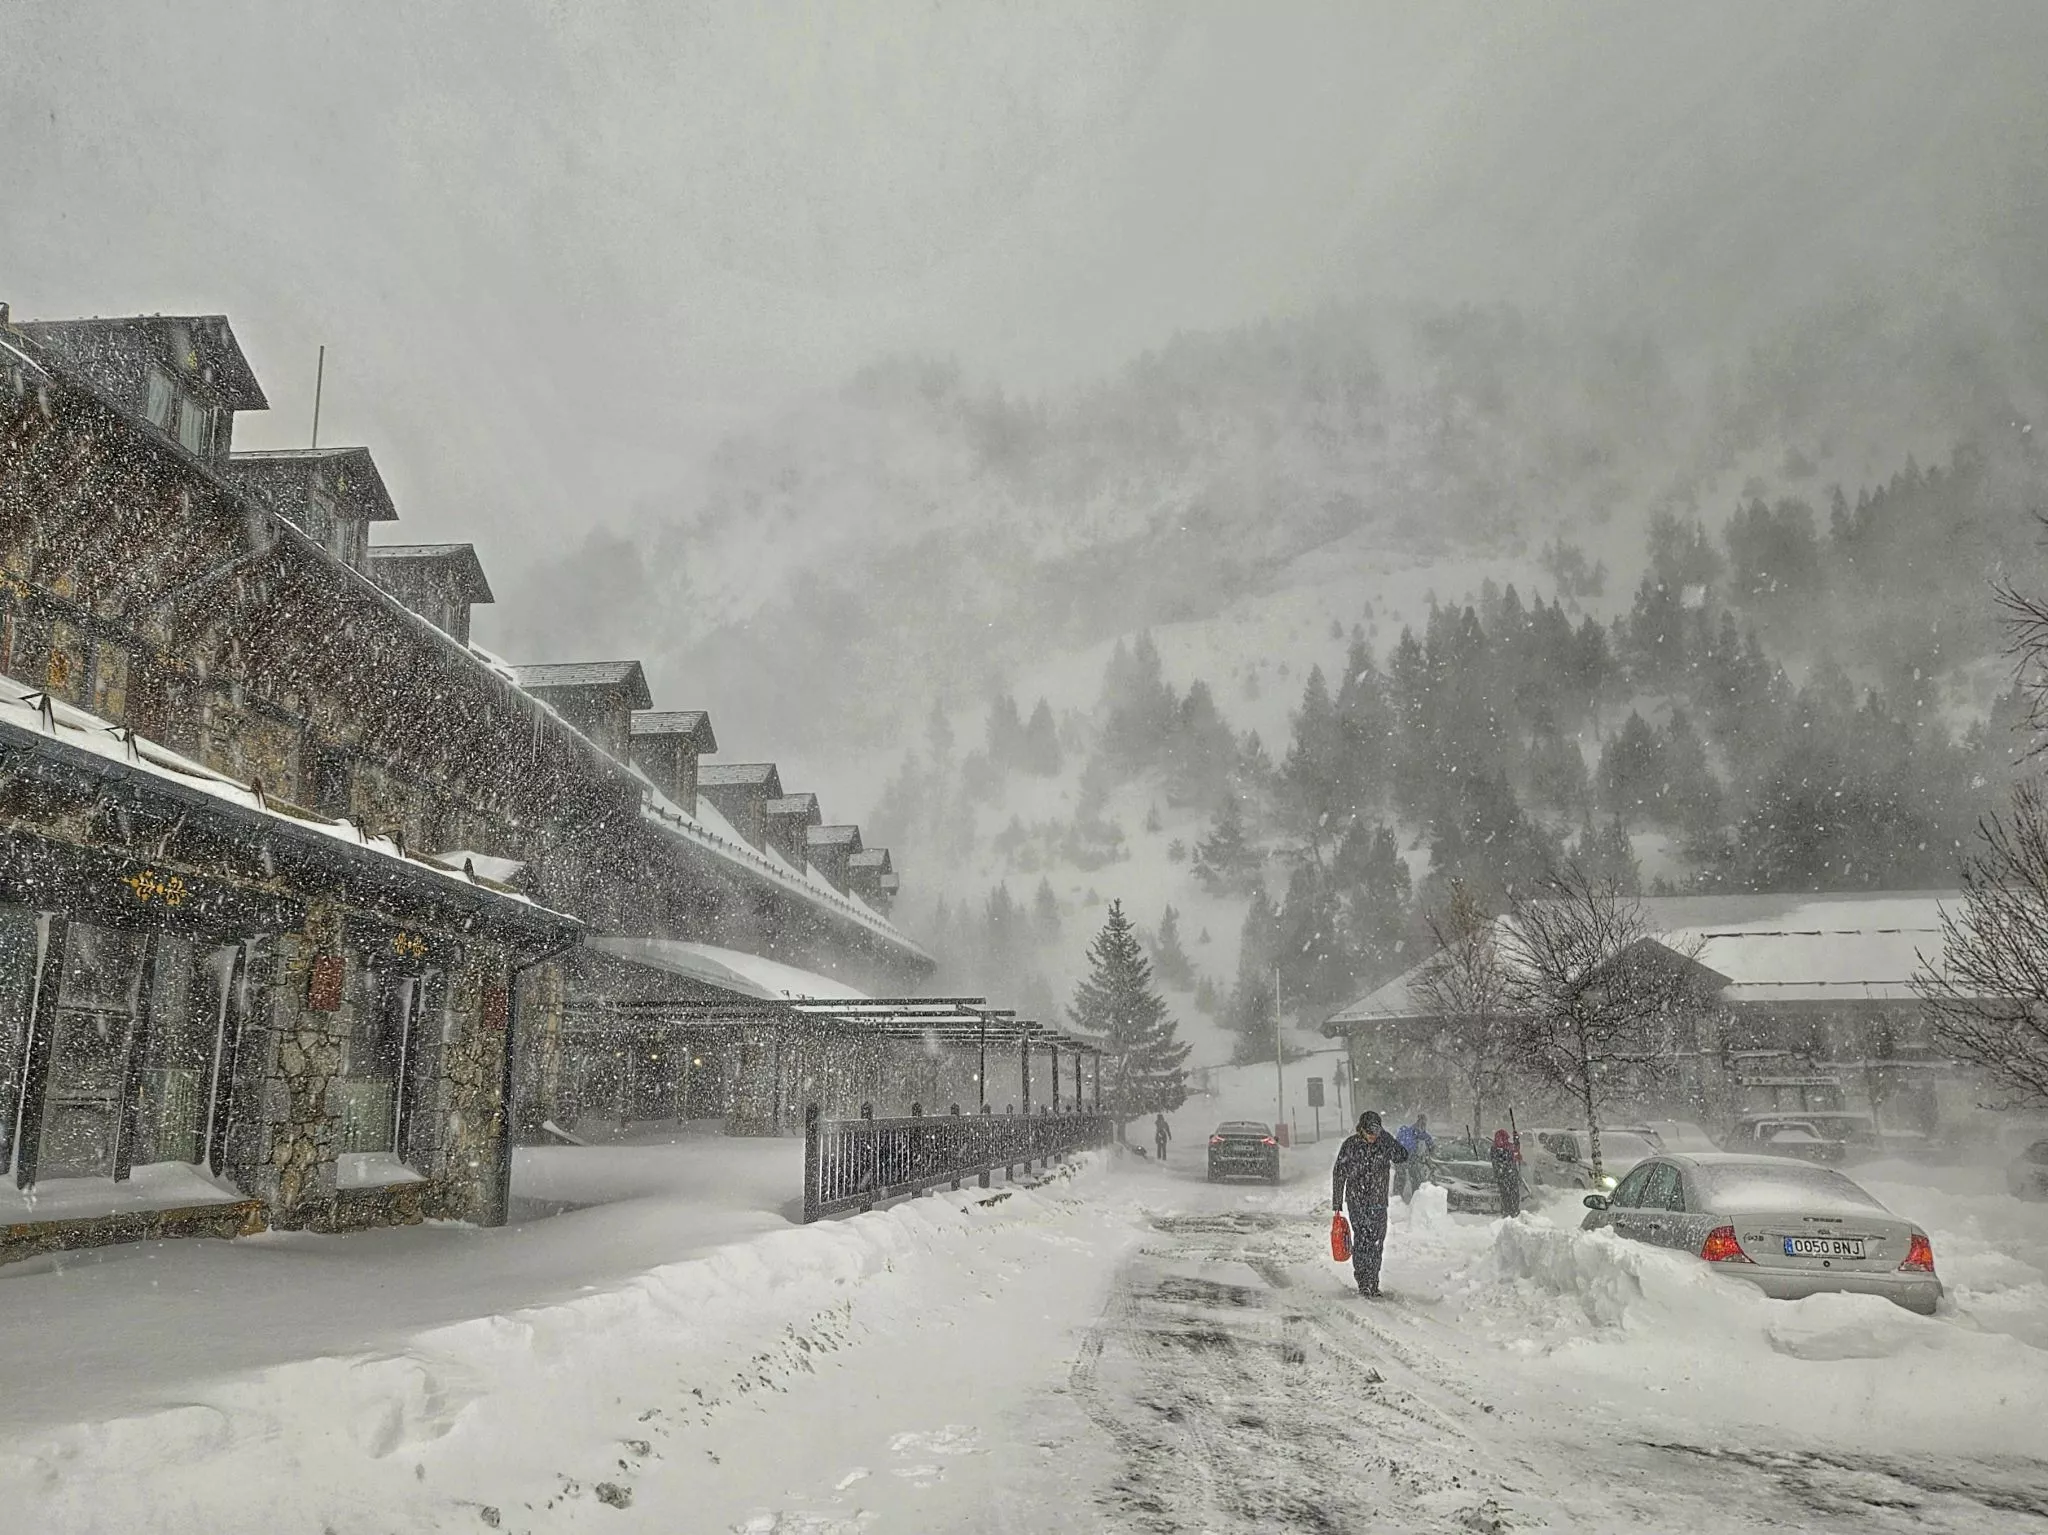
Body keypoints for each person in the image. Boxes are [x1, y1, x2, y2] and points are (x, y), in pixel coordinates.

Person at [1332, 1110, 1409, 1297]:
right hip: (1357, 1201)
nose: (1373, 1137)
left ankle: (1373, 1281)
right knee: (1362, 1240)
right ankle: (1363, 1280)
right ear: (1362, 1130)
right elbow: (1339, 1173)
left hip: (1378, 1202)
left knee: (1377, 1242)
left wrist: (1387, 1138)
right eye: (1370, 1133)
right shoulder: (1350, 1145)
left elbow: (1402, 1156)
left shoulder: (1384, 1143)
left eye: (1376, 1133)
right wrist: (1337, 1202)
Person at [1394, 1112, 1436, 1201]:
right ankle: (1415, 1199)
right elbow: (1425, 1137)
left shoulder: (1408, 1130)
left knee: (1400, 1179)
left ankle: (1396, 1198)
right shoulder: (1418, 1128)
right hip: (1410, 1157)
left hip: (1400, 1157)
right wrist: (1432, 1147)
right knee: (1414, 1179)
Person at [1489, 1128, 1523, 1218]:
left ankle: (1513, 1211)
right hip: (1505, 1177)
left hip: (1510, 1176)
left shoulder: (1504, 1147)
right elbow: (1506, 1158)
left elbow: (1515, 1150)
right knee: (1507, 1195)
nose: (1506, 1141)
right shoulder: (1496, 1150)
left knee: (1513, 1195)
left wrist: (1516, 1140)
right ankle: (1509, 1212)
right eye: (1505, 1139)